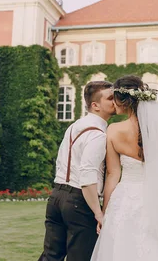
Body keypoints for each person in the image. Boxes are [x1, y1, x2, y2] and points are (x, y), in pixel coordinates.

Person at [91, 75, 158, 261]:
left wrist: (104, 212)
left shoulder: (114, 130)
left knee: (122, 248)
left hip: (126, 200)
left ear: (122, 101)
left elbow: (113, 174)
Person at [38, 81, 116, 261]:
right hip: (79, 200)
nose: (115, 101)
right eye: (110, 98)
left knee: (51, 256)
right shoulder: (98, 134)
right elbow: (87, 176)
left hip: (56, 196)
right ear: (95, 105)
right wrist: (98, 212)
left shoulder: (74, 126)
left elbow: (61, 161)